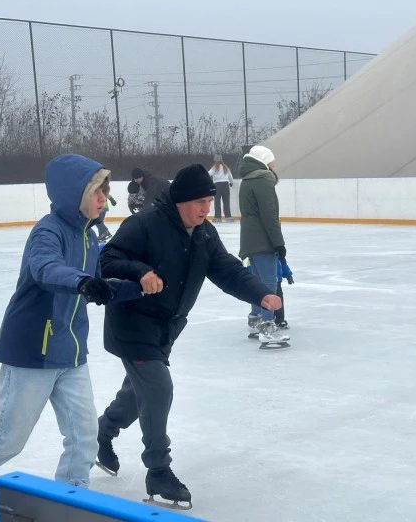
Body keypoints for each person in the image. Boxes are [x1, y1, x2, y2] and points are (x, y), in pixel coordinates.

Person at [0, 154, 142, 505]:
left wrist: (139, 286)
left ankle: (70, 498)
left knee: (84, 436)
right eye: (98, 191)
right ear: (76, 194)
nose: (104, 199)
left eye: (106, 192)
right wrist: (83, 282)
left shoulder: (88, 236)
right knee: (12, 438)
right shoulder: (48, 230)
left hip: (70, 352)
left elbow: (97, 285)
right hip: (31, 352)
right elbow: (46, 268)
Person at [95, 164, 281, 510]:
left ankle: (102, 432)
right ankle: (158, 470)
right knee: (157, 388)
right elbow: (108, 259)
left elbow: (227, 270)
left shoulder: (204, 234)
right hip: (133, 325)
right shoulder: (145, 225)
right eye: (199, 202)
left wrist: (260, 293)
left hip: (165, 329)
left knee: (138, 394)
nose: (205, 209)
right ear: (180, 200)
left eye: (208, 202)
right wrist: (142, 271)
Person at [238, 145, 290, 345]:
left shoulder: (248, 180)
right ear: (263, 163)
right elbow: (269, 216)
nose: (273, 167)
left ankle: (256, 319)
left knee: (256, 282)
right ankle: (268, 327)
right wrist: (279, 244)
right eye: (271, 163)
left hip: (250, 239)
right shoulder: (263, 181)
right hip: (263, 240)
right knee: (269, 283)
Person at [208, 154, 234, 222]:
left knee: (217, 202)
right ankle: (228, 217)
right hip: (225, 185)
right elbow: (230, 176)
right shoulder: (225, 167)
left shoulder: (214, 168)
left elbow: (209, 174)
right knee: (226, 201)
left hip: (217, 185)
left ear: (215, 160)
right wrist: (231, 182)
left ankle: (217, 217)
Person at [274, 257, 293, 329]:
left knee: (278, 299)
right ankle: (264, 318)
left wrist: (288, 274)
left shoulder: (276, 249)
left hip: (276, 280)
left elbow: (282, 261)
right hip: (262, 280)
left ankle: (279, 320)